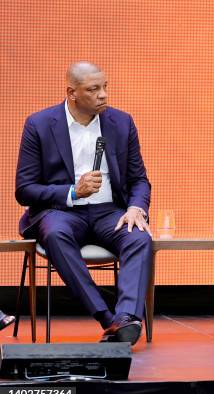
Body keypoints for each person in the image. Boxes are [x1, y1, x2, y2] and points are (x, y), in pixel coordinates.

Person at [15, 62, 152, 345]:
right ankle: (108, 318)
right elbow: (24, 189)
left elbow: (139, 179)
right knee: (55, 233)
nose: (103, 95)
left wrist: (136, 208)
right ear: (72, 93)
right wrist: (72, 192)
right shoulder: (39, 124)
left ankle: (127, 317)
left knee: (138, 237)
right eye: (94, 89)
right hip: (62, 212)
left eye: (105, 87)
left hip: (108, 213)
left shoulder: (122, 122)